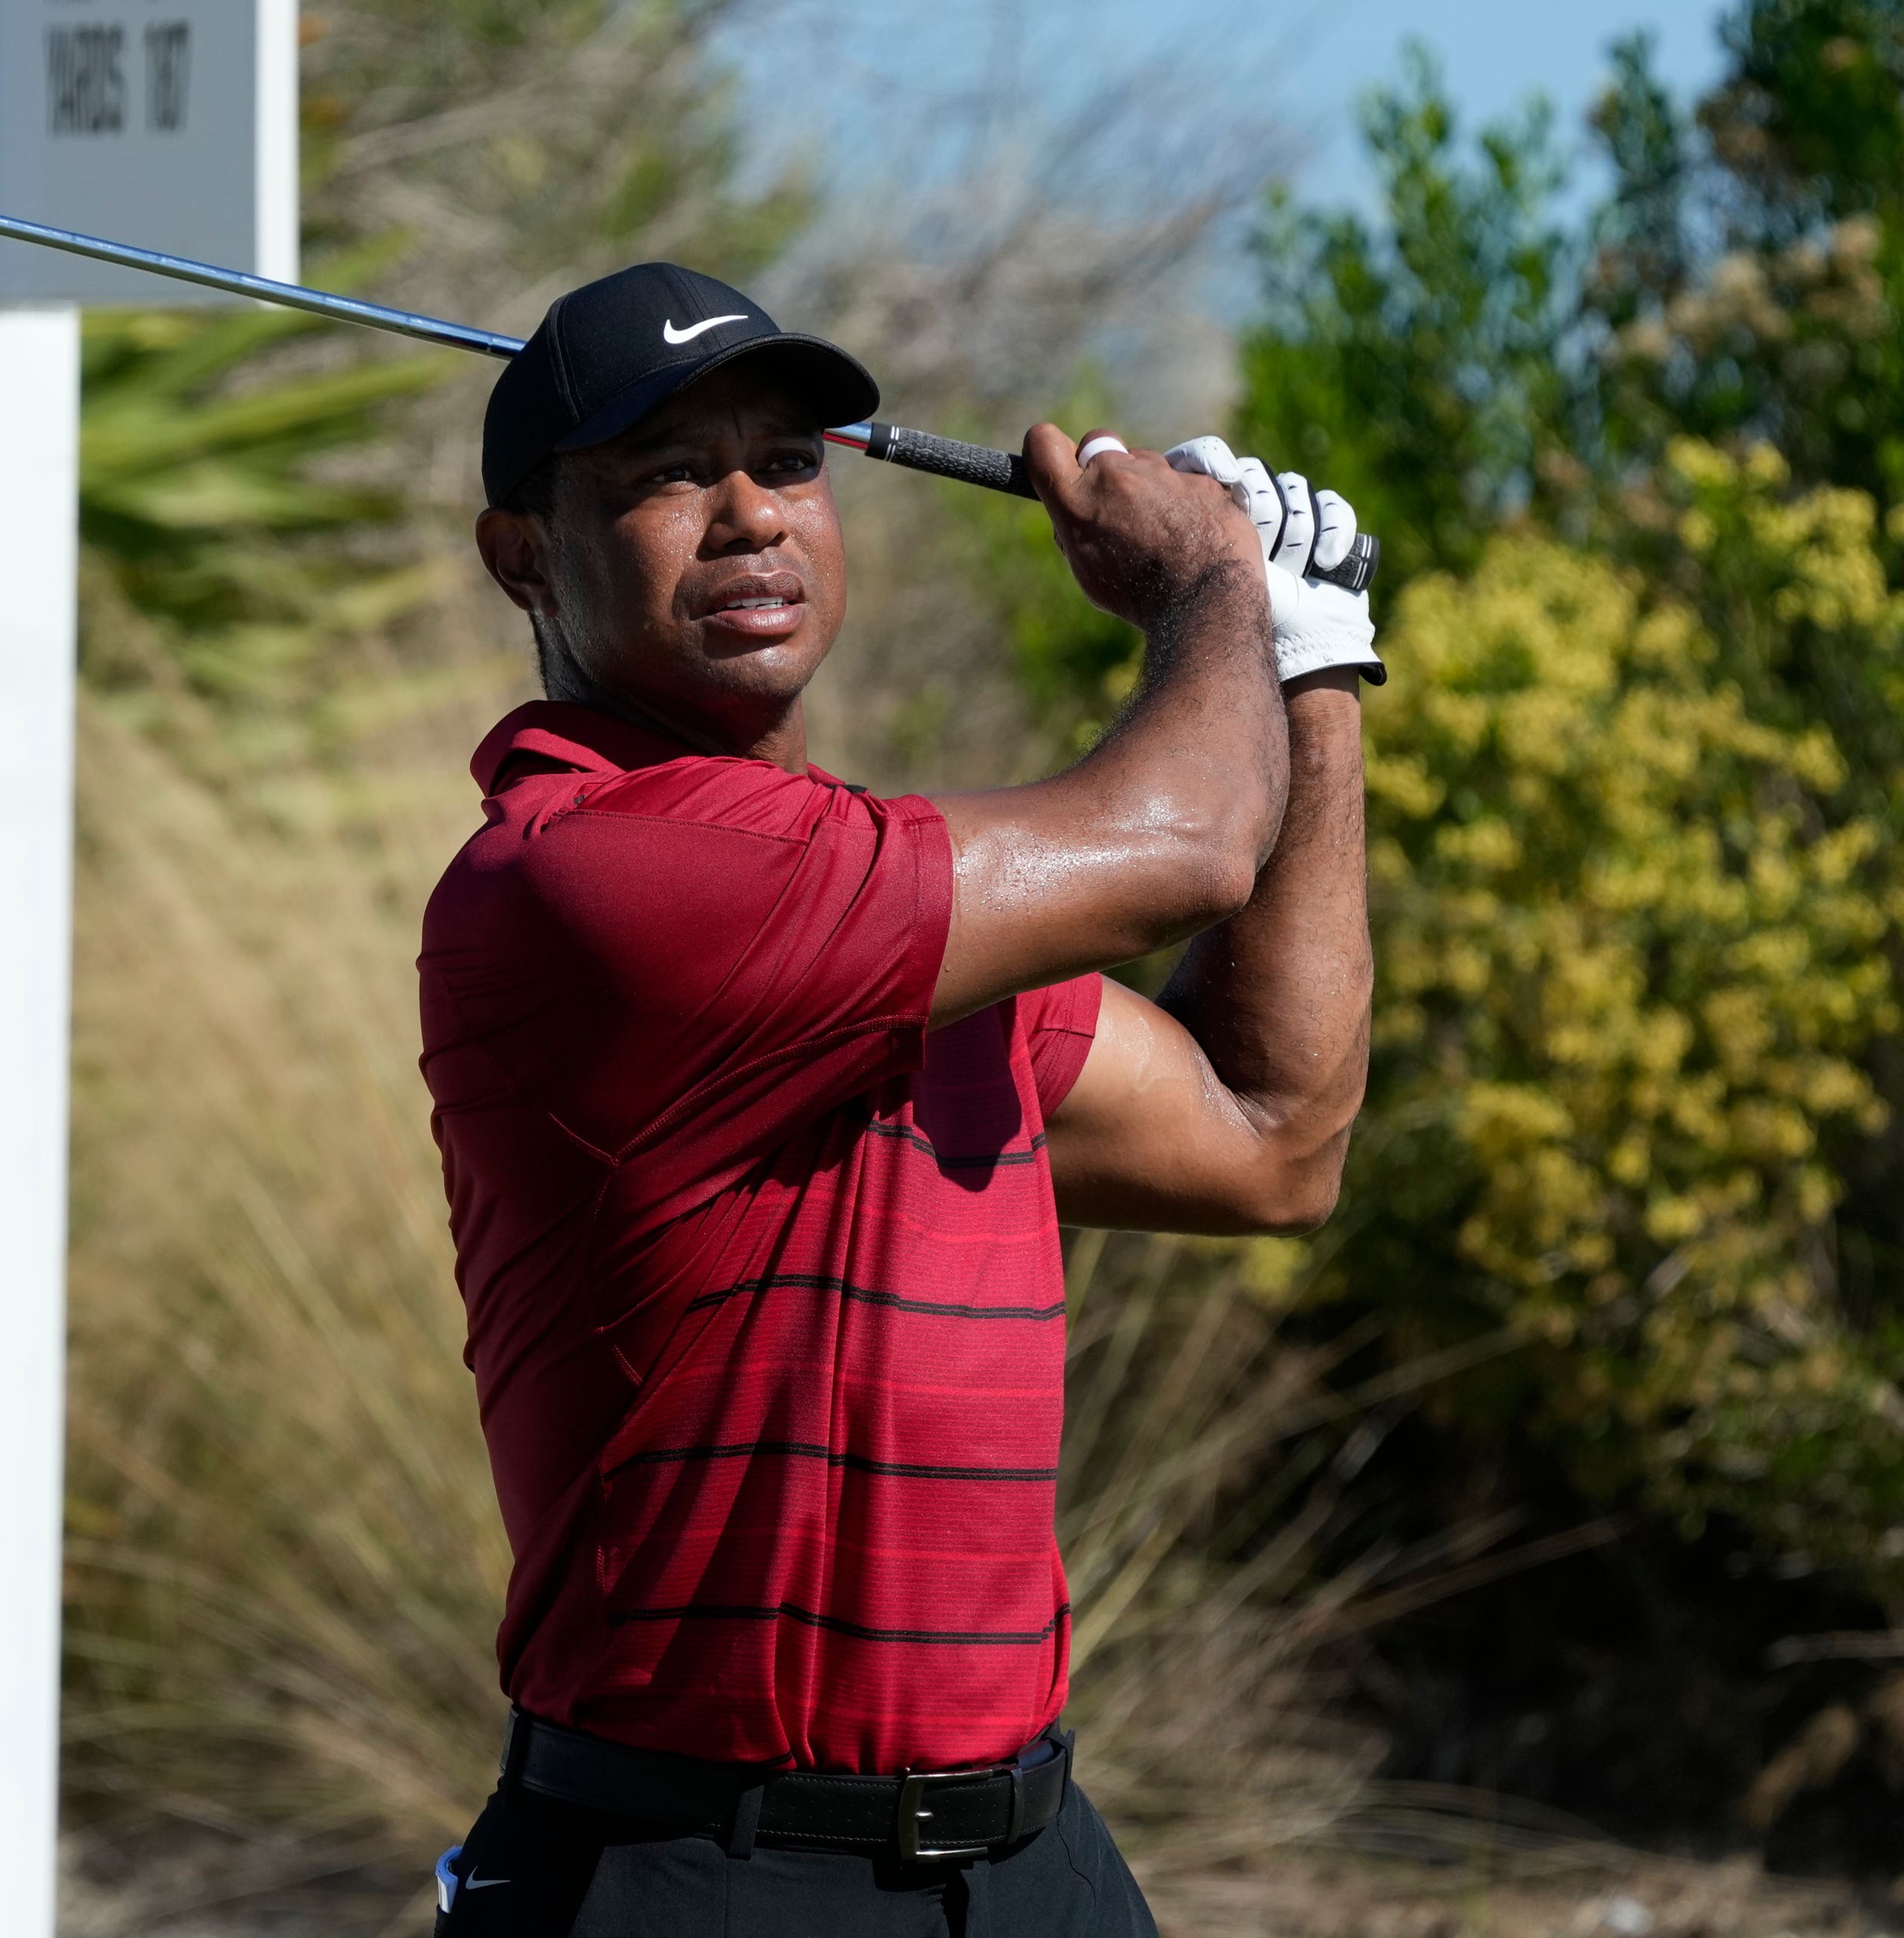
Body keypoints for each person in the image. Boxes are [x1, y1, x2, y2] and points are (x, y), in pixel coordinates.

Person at [418, 260, 1380, 1937]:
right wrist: (1220, 586)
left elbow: (1272, 1136)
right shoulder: (586, 882)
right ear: (523, 558)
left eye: (787, 461)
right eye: (661, 473)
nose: (746, 518)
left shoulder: (906, 914)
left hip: (1031, 1861)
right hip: (699, 1873)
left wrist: (1314, 663)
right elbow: (1188, 845)